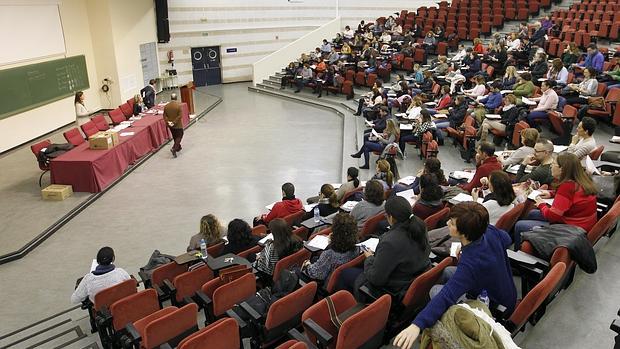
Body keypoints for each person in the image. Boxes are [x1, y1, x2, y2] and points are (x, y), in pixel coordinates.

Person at [393, 202, 517, 349]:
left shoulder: (470, 265)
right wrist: (468, 249)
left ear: (464, 233)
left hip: (495, 306)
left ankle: (432, 319)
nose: (447, 223)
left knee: (436, 291)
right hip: (508, 291)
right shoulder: (488, 231)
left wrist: (417, 325)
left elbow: (446, 295)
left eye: (451, 223)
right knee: (447, 272)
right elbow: (506, 239)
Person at [347, 196, 431, 298]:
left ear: (391, 217)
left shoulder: (390, 242)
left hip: (395, 288)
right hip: (411, 276)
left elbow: (376, 279)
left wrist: (369, 258)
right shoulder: (421, 226)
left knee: (344, 274)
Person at [513, 152, 598, 248]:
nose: (551, 167)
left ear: (562, 169)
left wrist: (541, 204)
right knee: (532, 213)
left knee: (520, 225)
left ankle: (519, 255)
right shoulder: (581, 179)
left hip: (571, 229)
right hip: (583, 223)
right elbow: (572, 196)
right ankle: (529, 241)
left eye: (553, 164)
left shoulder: (567, 187)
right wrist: (551, 193)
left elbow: (553, 216)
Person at [301, 213, 360, 282]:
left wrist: (307, 265)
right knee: (314, 258)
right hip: (340, 275)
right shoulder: (357, 246)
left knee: (297, 270)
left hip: (326, 283)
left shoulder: (329, 253)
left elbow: (316, 274)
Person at [163, 93, 183, 157]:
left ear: (171, 98)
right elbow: (180, 116)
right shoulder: (178, 106)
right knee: (180, 135)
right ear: (176, 98)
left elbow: (164, 115)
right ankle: (174, 148)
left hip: (170, 125)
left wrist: (168, 122)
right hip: (177, 125)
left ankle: (178, 147)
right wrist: (174, 122)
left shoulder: (166, 106)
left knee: (174, 136)